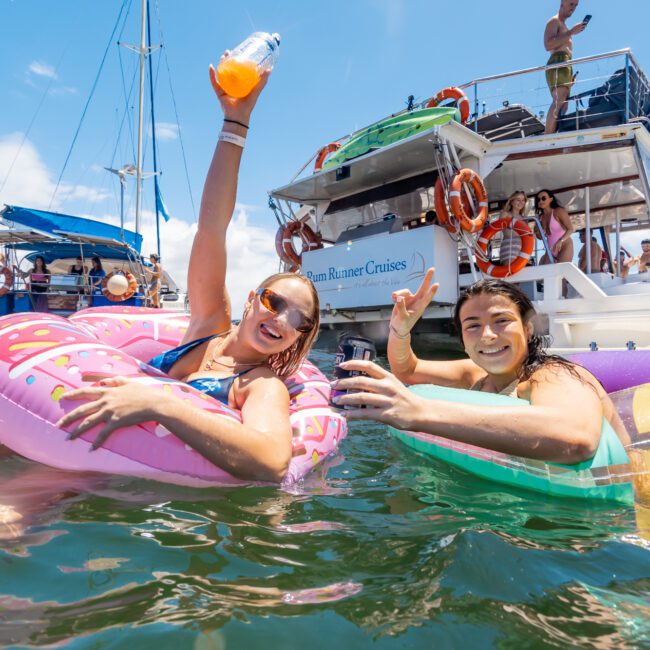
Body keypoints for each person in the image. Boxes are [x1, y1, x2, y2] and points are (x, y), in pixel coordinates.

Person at [56, 62, 320, 483]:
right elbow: (212, 227)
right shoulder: (207, 327)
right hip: (85, 445)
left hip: (127, 484)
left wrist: (159, 404)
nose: (280, 319)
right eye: (274, 302)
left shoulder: (260, 385)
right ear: (252, 298)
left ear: (299, 337)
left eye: (297, 320)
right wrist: (236, 122)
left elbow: (271, 461)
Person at [332, 268, 628, 465]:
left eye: (502, 321)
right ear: (462, 338)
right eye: (472, 326)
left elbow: (575, 439)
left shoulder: (555, 375)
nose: (487, 335)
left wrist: (419, 412)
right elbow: (407, 370)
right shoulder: (476, 375)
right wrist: (400, 329)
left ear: (527, 329)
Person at [543, 1, 588, 133]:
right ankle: (548, 136)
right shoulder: (554, 21)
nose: (573, 8)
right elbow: (548, 45)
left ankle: (554, 133)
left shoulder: (563, 25)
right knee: (559, 100)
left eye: (575, 6)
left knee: (564, 104)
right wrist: (571, 32)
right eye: (571, 4)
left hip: (565, 64)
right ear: (563, 2)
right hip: (559, 61)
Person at [534, 189, 573, 264]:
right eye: (538, 199)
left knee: (561, 273)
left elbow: (570, 229)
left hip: (564, 245)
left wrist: (561, 240)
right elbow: (540, 237)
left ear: (550, 199)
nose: (541, 201)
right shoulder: (540, 218)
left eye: (543, 198)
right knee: (545, 273)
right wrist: (537, 230)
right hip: (550, 249)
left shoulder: (558, 211)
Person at [499, 190, 528, 264]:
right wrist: (521, 234)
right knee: (510, 273)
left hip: (521, 249)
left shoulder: (524, 218)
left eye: (523, 200)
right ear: (511, 202)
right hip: (509, 247)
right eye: (518, 200)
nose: (521, 202)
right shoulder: (505, 214)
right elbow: (506, 233)